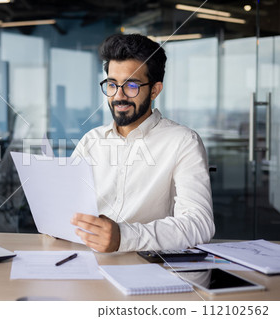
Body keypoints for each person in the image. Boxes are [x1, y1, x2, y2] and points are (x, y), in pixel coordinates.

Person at [70, 33, 215, 253]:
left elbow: (199, 224)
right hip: (86, 262)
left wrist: (124, 237)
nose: (119, 96)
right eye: (112, 85)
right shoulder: (91, 141)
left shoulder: (183, 142)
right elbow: (67, 207)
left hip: (148, 268)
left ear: (155, 90)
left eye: (132, 86)